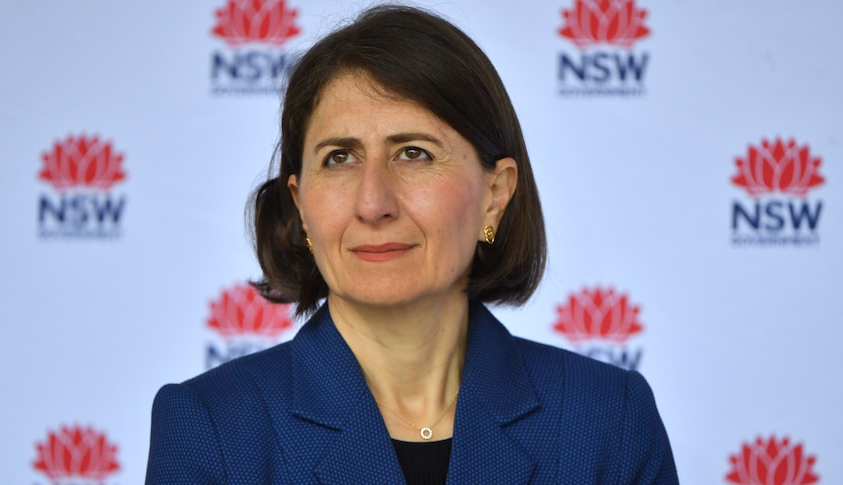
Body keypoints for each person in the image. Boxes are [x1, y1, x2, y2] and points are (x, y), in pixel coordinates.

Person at [146, 5, 678, 484]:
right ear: (301, 203)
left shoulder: (609, 420)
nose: (373, 203)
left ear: (495, 194)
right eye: (339, 158)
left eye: (414, 154)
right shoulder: (210, 429)